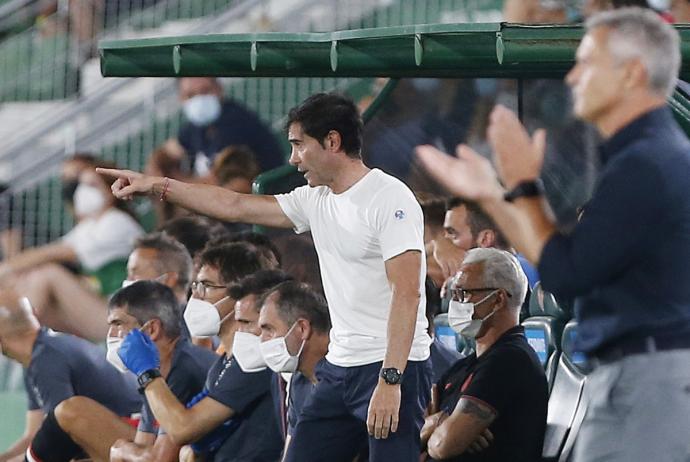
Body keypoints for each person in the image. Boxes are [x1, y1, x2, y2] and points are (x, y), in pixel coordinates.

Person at [98, 92, 432, 462]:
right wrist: (157, 185)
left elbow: (407, 294)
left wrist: (391, 379)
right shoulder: (315, 199)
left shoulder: (389, 198)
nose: (291, 159)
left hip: (392, 366)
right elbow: (235, 205)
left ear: (332, 142)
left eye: (298, 145)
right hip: (340, 367)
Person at [417, 8, 690, 461]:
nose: (574, 76)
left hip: (648, 383)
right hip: (638, 379)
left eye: (587, 63)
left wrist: (521, 188)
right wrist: (497, 192)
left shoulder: (647, 164)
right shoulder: (643, 158)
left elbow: (567, 275)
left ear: (631, 74)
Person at [119, 269, 291, 462]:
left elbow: (181, 432)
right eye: (195, 286)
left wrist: (147, 373)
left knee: (78, 410)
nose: (197, 296)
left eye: (207, 286)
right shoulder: (224, 363)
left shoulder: (254, 366)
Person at [51, 281, 216, 462]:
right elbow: (142, 448)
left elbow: (159, 460)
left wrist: (120, 448)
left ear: (152, 329)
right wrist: (127, 452)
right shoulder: (153, 374)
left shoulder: (183, 370)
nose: (111, 335)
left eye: (118, 324)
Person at [422, 248, 547, 461]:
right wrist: (440, 422)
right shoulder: (466, 365)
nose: (456, 303)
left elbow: (442, 446)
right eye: (454, 294)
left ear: (498, 299)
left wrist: (437, 423)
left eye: (464, 293)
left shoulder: (509, 361)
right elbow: (418, 433)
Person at [0, 160, 144, 340]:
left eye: (92, 185)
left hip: (127, 319)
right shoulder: (88, 227)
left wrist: (6, 269)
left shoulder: (117, 221)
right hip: (102, 312)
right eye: (80, 185)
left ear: (111, 189)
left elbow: (53, 253)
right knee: (31, 281)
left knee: (48, 274)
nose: (84, 191)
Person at [0, 292, 141, 462]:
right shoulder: (38, 355)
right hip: (123, 437)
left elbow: (60, 436)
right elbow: (34, 436)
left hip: (138, 437)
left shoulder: (47, 359)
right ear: (35, 314)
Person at [155, 77, 284, 178]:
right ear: (181, 98)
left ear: (219, 89)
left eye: (205, 91)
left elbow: (220, 182)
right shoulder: (196, 126)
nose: (199, 100)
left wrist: (171, 187)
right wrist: (156, 171)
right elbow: (167, 152)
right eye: (190, 95)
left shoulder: (236, 122)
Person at [257, 281, 331, 455]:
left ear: (302, 328)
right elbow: (292, 453)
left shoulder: (348, 379)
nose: (262, 340)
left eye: (269, 329)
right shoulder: (299, 383)